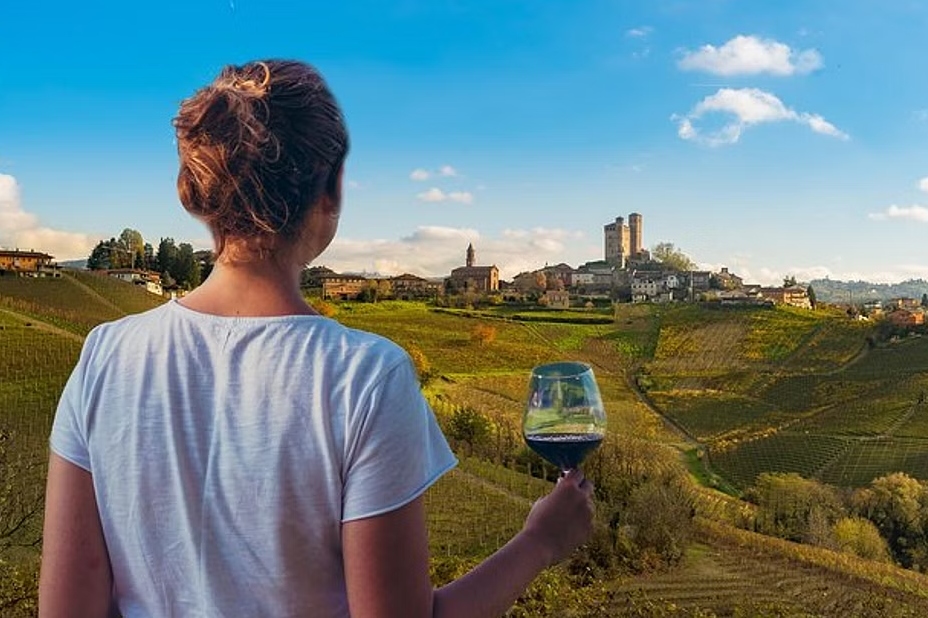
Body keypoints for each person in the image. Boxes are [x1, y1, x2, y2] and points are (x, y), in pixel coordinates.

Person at [39, 59, 595, 618]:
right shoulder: (367, 378)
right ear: (330, 188)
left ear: (204, 192)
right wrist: (540, 543)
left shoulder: (104, 357)